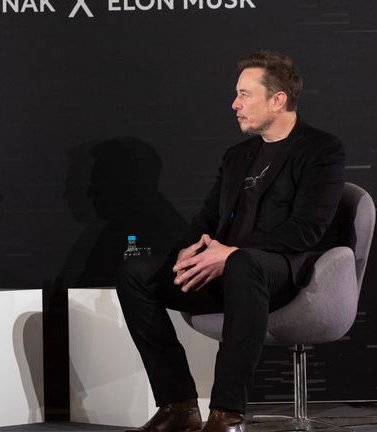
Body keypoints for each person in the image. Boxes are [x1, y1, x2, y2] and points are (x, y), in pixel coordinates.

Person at [115, 51, 345, 432]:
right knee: (136, 273)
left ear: (278, 99)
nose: (234, 104)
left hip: (281, 274)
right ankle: (178, 405)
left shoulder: (320, 150)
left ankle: (227, 413)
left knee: (244, 264)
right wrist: (188, 250)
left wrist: (232, 253)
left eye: (244, 95)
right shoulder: (238, 155)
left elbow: (307, 229)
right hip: (224, 271)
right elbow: (207, 217)